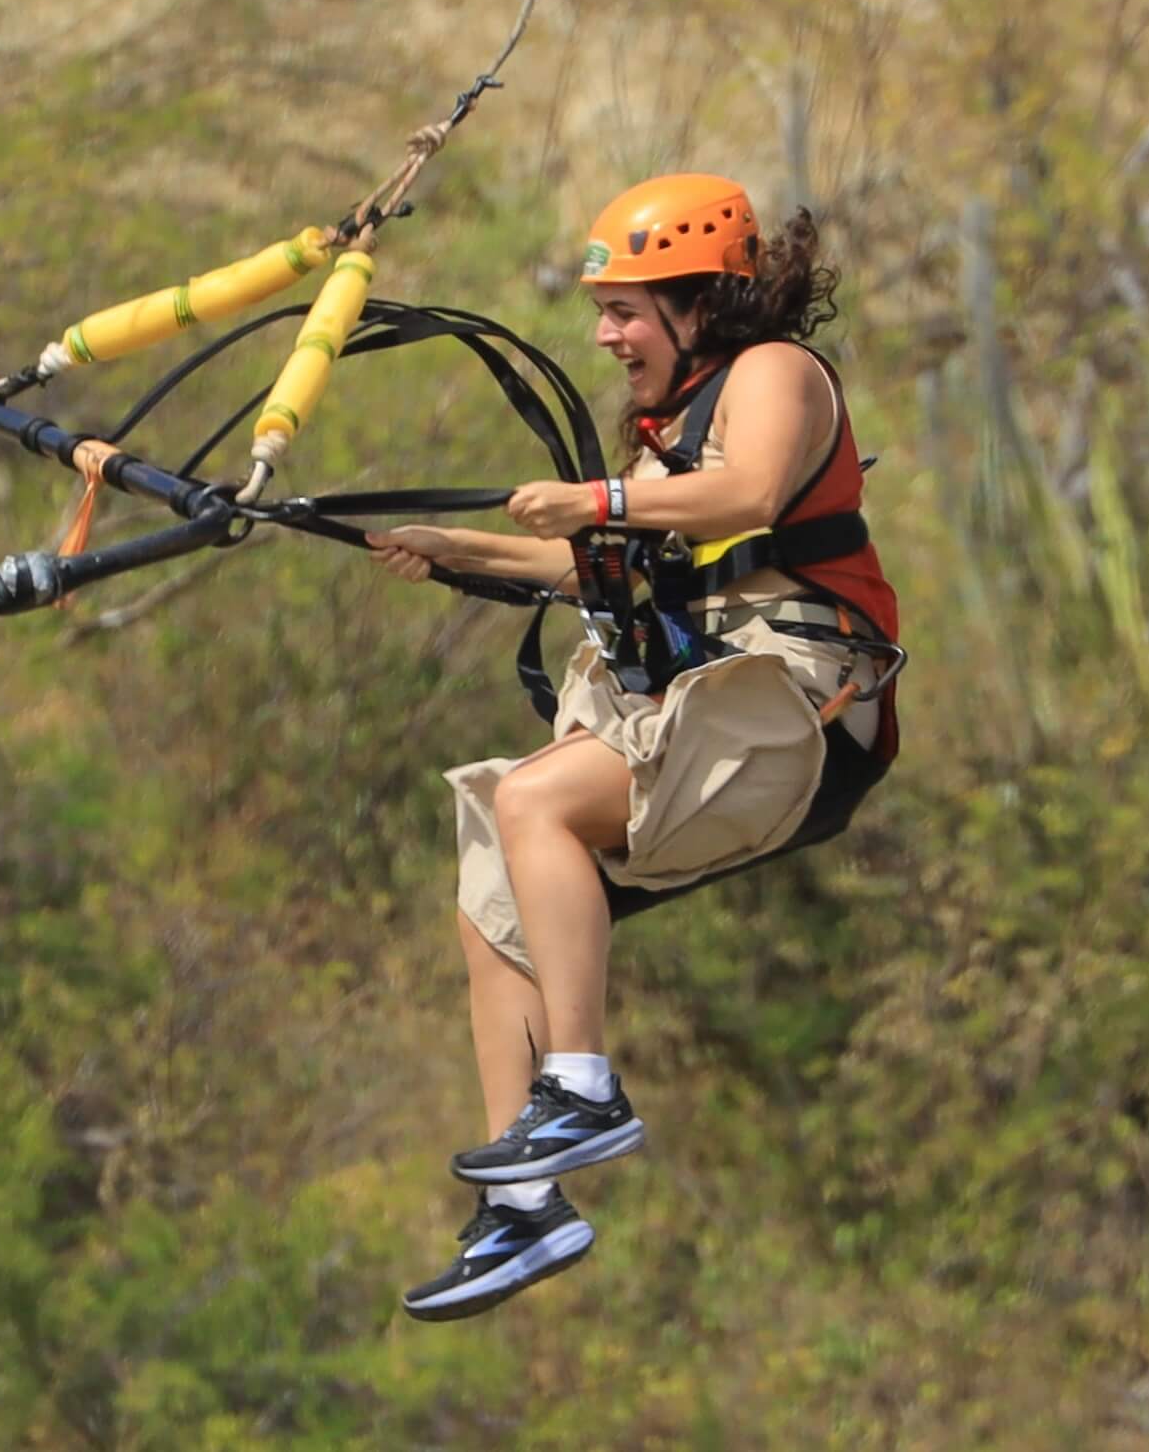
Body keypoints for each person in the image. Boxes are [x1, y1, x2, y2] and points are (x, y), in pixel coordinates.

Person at [368, 174, 900, 1322]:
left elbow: (747, 493)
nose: (606, 334)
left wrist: (599, 495)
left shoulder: (772, 378)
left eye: (628, 308)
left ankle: (582, 1084)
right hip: (724, 709)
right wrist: (445, 545)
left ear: (701, 302)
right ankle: (524, 1200)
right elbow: (591, 561)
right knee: (495, 876)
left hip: (802, 695)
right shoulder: (665, 446)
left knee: (535, 799)